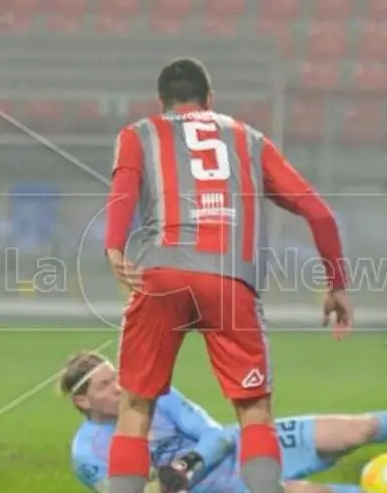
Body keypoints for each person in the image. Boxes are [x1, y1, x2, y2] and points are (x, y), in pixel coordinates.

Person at [102, 57, 352, 493]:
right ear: (209, 99)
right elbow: (320, 214)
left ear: (161, 102)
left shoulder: (139, 133)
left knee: (136, 406)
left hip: (161, 276)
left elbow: (123, 191)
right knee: (254, 411)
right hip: (231, 282)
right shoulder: (250, 140)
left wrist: (114, 247)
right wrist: (337, 285)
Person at [62, 351, 387, 493]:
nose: (119, 386)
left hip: (244, 444)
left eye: (116, 376)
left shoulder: (157, 393)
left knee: (355, 430)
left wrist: (185, 465)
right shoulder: (87, 452)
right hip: (219, 489)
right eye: (105, 385)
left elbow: (217, 435)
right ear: (83, 400)